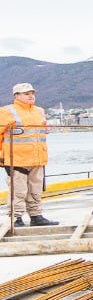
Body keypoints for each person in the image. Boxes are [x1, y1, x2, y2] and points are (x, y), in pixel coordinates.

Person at [1, 82, 58, 227]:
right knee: (18, 191)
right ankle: (15, 218)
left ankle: (36, 216)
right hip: (16, 159)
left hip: (38, 158)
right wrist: (1, 156)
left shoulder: (39, 111)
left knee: (35, 189)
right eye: (26, 94)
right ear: (17, 96)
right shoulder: (7, 111)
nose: (31, 96)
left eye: (32, 93)